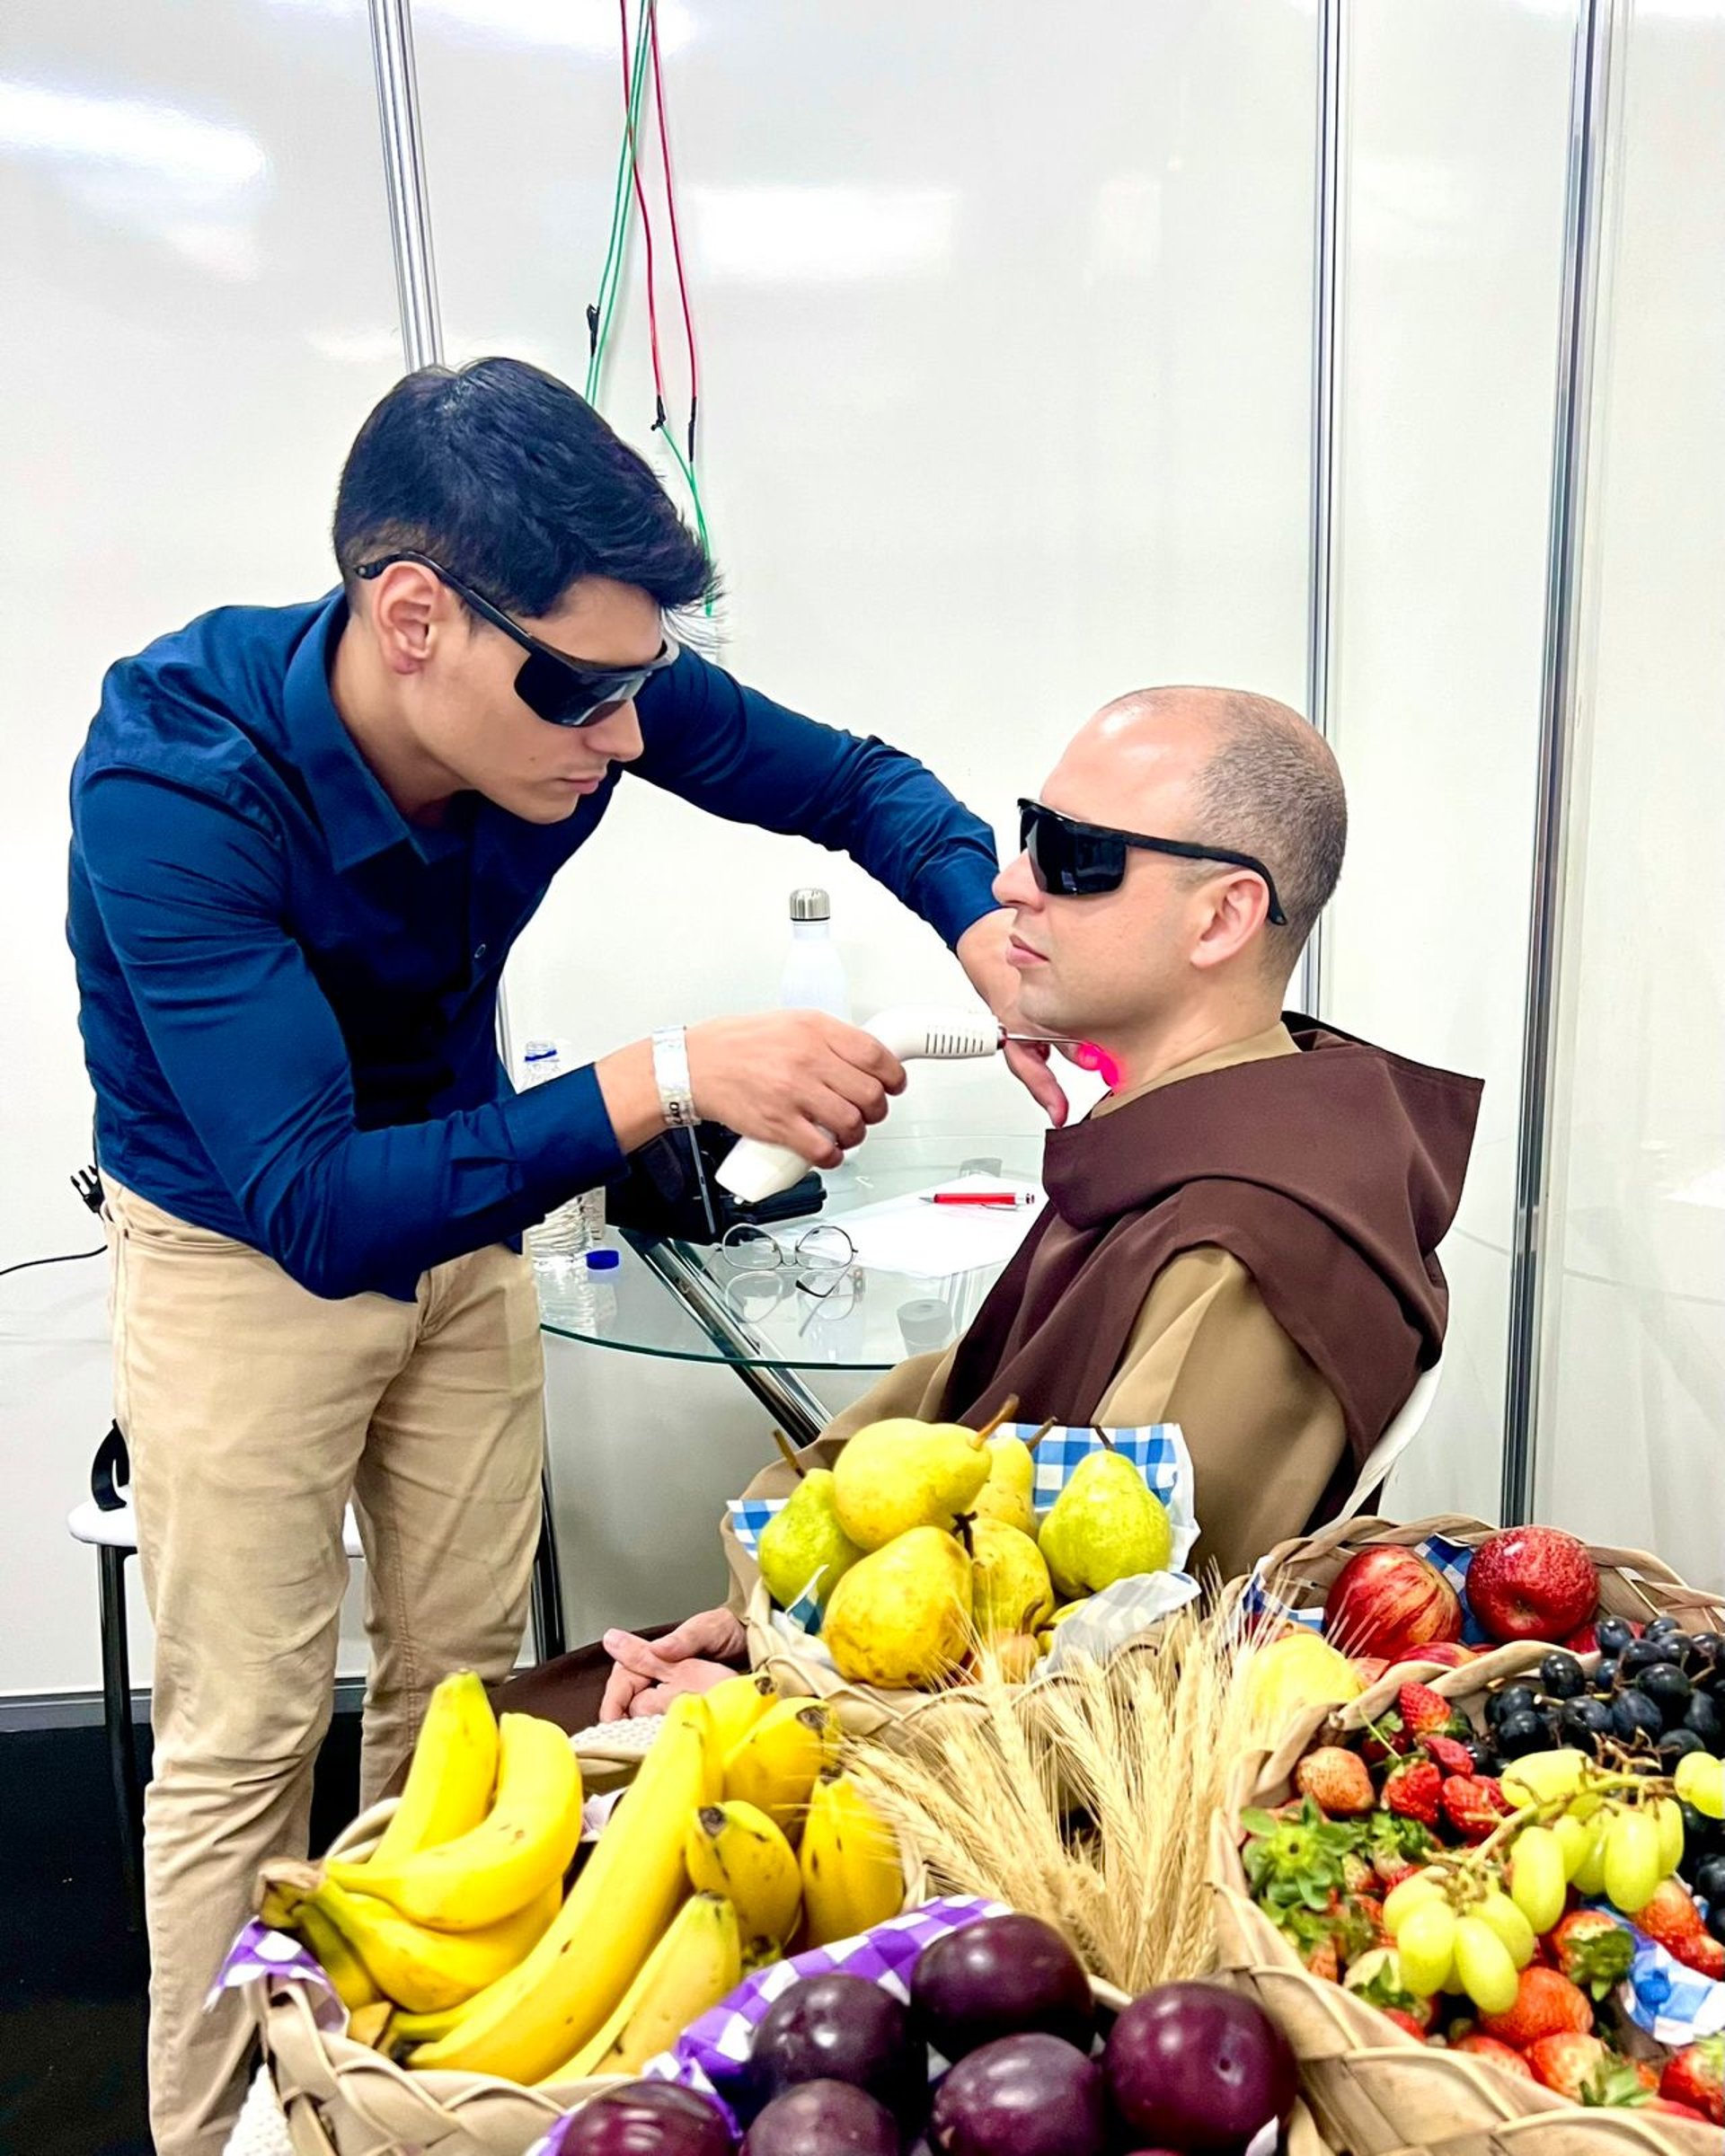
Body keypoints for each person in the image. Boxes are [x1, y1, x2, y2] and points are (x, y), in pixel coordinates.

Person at [66, 356, 1059, 2156]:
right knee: (249, 1723)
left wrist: (992, 937)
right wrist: (665, 1076)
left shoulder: (578, 671)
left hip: (461, 1219)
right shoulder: (175, 781)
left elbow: (854, 780)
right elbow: (306, 1199)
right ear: (414, 613)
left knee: (459, 1688)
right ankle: (219, 2132)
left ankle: (401, 2083)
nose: (623, 739)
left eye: (643, 686)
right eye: (587, 695)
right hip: (242, 1250)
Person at [600, 685, 1482, 1719]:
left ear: (1224, 916)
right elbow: (967, 1409)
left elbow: (1108, 1654)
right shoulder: (1196, 1126)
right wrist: (774, 1607)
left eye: (1073, 855)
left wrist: (782, 1690)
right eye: (1030, 834)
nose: (1011, 882)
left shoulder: (1252, 1238)